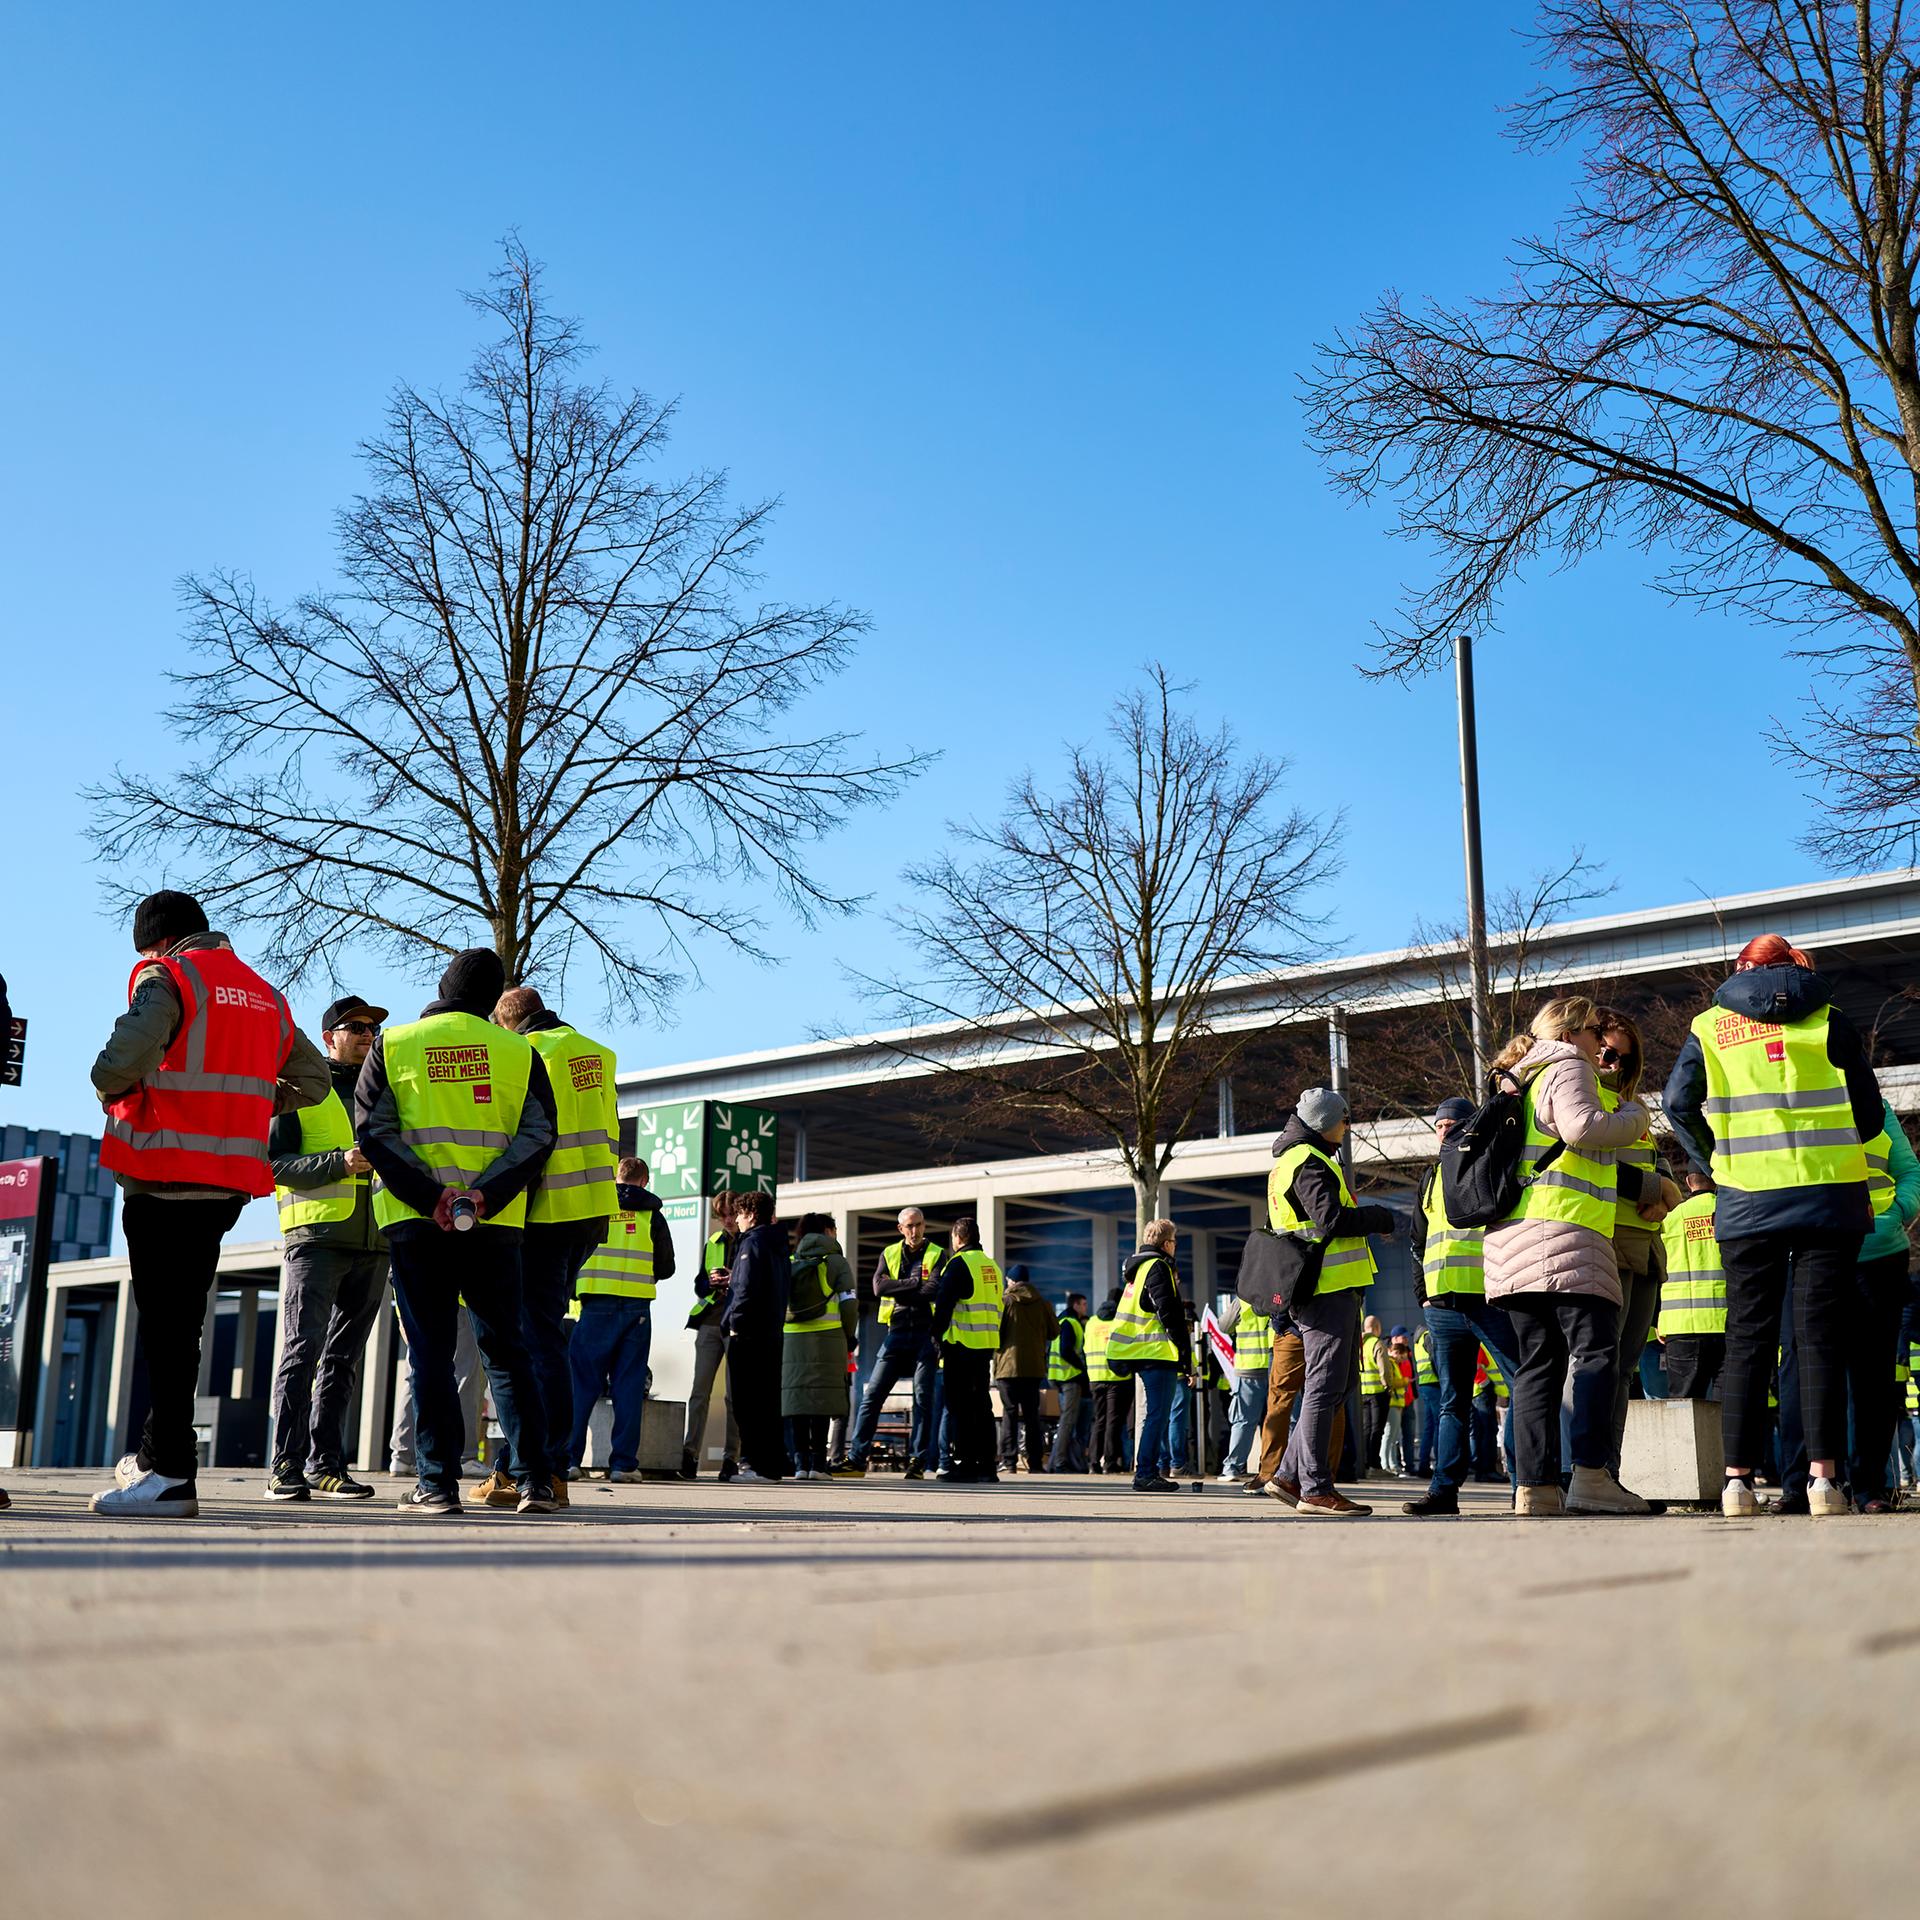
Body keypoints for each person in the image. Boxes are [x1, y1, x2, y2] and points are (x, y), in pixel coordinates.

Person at [89, 891, 329, 1518]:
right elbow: (313, 1080)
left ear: (158, 941)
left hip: (162, 1172)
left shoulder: (168, 976)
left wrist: (108, 1083)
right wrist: (250, 1107)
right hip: (224, 1186)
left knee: (167, 1332)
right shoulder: (263, 994)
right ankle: (152, 1455)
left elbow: (118, 1063)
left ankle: (171, 1476)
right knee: (183, 1323)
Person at [1664, 934, 1881, 1518]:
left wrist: (1714, 1159)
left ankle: (1736, 1483)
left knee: (1748, 1340)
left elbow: (1677, 1101)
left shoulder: (1710, 1025)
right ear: (1793, 967)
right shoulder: (1830, 1018)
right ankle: (1824, 1483)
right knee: (1817, 1342)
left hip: (1747, 1199)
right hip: (1828, 1192)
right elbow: (1869, 1106)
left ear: (1741, 969)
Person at [355, 947, 558, 1516]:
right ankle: (536, 1482)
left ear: (443, 985)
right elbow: (540, 1134)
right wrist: (485, 1195)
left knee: (431, 1355)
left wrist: (431, 1196)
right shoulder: (520, 1051)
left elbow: (373, 1132)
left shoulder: (393, 1045)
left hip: (415, 1224)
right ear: (493, 998)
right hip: (495, 1227)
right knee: (508, 1354)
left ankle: (437, 1485)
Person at [1483, 996, 1656, 1517]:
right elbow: (1583, 1128)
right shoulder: (1568, 1066)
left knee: (1537, 1367)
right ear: (1573, 1031)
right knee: (1598, 1356)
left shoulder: (1520, 1075)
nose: (1601, 1043)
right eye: (1595, 1031)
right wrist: (1633, 1112)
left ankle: (1534, 1487)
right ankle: (1591, 1476)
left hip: (1513, 1245)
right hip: (1568, 1234)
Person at [470, 987, 619, 1510]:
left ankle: (542, 1467)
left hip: (545, 1211)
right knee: (544, 1337)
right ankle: (529, 1466)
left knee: (535, 1345)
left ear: (508, 1022)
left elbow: (532, 1135)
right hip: (593, 1209)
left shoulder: (528, 1053)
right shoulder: (597, 1053)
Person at [264, 993, 390, 1502]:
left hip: (376, 1239)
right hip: (316, 1237)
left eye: (371, 1029)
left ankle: (326, 1465)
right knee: (303, 1351)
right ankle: (284, 1466)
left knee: (343, 1360)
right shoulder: (299, 1090)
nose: (366, 1035)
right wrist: (337, 1163)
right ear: (328, 1037)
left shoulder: (387, 1095)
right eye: (354, 1026)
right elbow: (271, 1164)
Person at [1264, 1088, 1398, 1518]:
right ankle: (1316, 1489)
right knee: (1325, 1389)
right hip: (1327, 1290)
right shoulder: (1308, 1160)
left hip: (1316, 1288)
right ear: (1323, 1123)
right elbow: (1333, 1220)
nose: (1348, 1125)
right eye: (1343, 1119)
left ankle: (1288, 1477)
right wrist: (1381, 1217)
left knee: (1329, 1389)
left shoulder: (1292, 1160)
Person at [1404, 1094, 1521, 1518]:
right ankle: (1443, 1492)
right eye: (1439, 1125)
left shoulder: (1488, 1165)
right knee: (1454, 1400)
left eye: (1453, 1124)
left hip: (1491, 1298)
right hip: (1444, 1305)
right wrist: (1423, 1293)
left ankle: (1523, 1488)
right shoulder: (1431, 1177)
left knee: (1520, 1388)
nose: (1445, 1130)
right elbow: (1417, 1242)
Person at [1595, 1010, 1682, 1474]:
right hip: (1609, 1243)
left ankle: (1611, 1470)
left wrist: (1664, 1193)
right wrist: (1658, 1191)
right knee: (1603, 1367)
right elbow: (1587, 1161)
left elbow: (1652, 1162)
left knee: (1624, 1369)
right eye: (1606, 1051)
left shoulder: (1628, 1108)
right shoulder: (1581, 1099)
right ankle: (1590, 1470)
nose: (1612, 1063)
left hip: (1643, 1247)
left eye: (1622, 1059)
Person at [567, 1157, 674, 1482]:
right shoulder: (651, 1215)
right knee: (628, 1386)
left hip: (595, 1306)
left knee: (581, 1385)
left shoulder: (596, 1206)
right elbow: (666, 1267)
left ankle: (568, 1461)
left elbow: (573, 1253)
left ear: (618, 1177)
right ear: (644, 1180)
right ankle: (623, 1465)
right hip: (636, 1309)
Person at [1841, 1099, 1920, 1512]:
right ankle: (1819, 1482)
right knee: (1812, 1372)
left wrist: (1895, 1213)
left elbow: (1910, 1172)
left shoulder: (1879, 1107)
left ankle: (1869, 1486)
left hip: (1880, 1253)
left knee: (1873, 1378)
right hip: (1815, 1253)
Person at [832, 1209, 947, 1479]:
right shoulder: (890, 1252)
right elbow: (878, 1289)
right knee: (872, 1396)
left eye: (919, 1225)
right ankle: (857, 1460)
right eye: (909, 1226)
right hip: (895, 1333)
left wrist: (901, 1289)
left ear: (924, 1224)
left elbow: (933, 1290)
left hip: (925, 1335)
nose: (915, 1231)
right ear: (900, 1228)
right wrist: (913, 1284)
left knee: (922, 1399)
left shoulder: (938, 1253)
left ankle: (918, 1462)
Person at [1108, 1219, 1189, 1491]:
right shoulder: (1158, 1267)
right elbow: (1169, 1313)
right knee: (1157, 1415)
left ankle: (1145, 1470)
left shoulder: (1137, 1270)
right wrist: (1185, 1354)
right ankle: (1145, 1473)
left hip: (1139, 1351)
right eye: (1175, 1242)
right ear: (1167, 1244)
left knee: (1151, 1414)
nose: (1175, 1247)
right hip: (1156, 1352)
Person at [721, 1190, 792, 1483]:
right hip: (771, 1331)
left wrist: (735, 1322)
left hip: (748, 1332)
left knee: (746, 1401)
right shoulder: (778, 1244)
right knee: (767, 1401)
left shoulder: (752, 1242)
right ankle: (771, 1465)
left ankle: (755, 1465)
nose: (736, 1219)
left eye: (738, 1214)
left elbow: (746, 1288)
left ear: (750, 1214)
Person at [928, 1215, 1004, 1482]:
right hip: (985, 1346)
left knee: (959, 1407)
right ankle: (987, 1467)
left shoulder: (958, 1264)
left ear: (957, 1238)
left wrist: (935, 1336)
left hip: (960, 1344)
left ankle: (966, 1465)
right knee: (982, 1406)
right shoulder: (992, 1266)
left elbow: (944, 1303)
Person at [783, 1212, 857, 1478]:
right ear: (827, 1231)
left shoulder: (790, 1261)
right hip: (828, 1338)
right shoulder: (836, 1262)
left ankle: (800, 1464)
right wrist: (850, 1334)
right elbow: (849, 1303)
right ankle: (818, 1465)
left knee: (798, 1401)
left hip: (791, 1339)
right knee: (822, 1402)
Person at [682, 1194, 741, 1480]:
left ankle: (731, 1459)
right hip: (709, 1320)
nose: (728, 1220)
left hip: (736, 1323)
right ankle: (689, 1454)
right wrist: (711, 1282)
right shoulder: (714, 1242)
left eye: (731, 1214)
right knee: (699, 1392)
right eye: (723, 1215)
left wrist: (734, 1279)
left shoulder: (750, 1240)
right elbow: (699, 1283)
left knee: (733, 1396)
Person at [1657, 1173, 1727, 1399]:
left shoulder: (1670, 1219)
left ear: (1688, 1182)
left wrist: (1657, 1319)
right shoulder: (1730, 1212)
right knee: (1728, 1406)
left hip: (1680, 1324)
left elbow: (1654, 1268)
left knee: (1683, 1405)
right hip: (1728, 1322)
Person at [995, 1263, 1057, 1473]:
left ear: (1011, 1281)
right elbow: (1054, 1332)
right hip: (1034, 1368)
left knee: (1010, 1414)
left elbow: (997, 1333)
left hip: (1008, 1368)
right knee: (1032, 1416)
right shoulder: (1043, 1303)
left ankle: (1009, 1462)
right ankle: (1036, 1464)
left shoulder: (1006, 1301)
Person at [1220, 1296, 1272, 1481]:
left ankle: (1232, 1468)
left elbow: (1224, 1326)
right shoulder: (1279, 1292)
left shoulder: (1241, 1300)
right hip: (1276, 1367)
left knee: (1243, 1421)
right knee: (1280, 1420)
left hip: (1248, 1368)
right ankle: (1274, 1469)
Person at [1086, 1290, 1130, 1473]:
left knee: (1099, 1421)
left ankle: (1093, 1463)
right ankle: (1110, 1463)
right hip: (1116, 1378)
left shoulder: (1091, 1322)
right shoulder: (1120, 1321)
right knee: (1113, 1421)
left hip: (1095, 1377)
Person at [1046, 1293, 1091, 1473]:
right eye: (1084, 1304)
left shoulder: (1061, 1321)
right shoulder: (1070, 1323)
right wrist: (1081, 1368)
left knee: (1067, 1422)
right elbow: (1066, 1350)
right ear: (1076, 1305)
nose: (1086, 1308)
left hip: (1059, 1377)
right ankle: (1059, 1462)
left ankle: (1056, 1462)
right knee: (1067, 1423)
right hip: (1069, 1377)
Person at [1355, 1314, 1393, 1481]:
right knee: (1377, 1429)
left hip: (1362, 1393)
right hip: (1378, 1393)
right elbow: (1384, 1368)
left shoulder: (1358, 1343)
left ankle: (1364, 1463)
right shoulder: (1377, 1343)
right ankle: (1375, 1466)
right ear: (1376, 1328)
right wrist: (1387, 1386)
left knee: (1366, 1429)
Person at [1385, 1327, 1417, 1474]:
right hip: (1395, 1400)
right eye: (1402, 1337)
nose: (1406, 1340)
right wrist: (1405, 1382)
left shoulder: (1407, 1353)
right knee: (1392, 1435)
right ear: (1394, 1338)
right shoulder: (1390, 1357)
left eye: (1406, 1337)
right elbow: (1394, 1379)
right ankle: (1391, 1464)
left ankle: (1408, 1466)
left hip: (1406, 1399)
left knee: (1407, 1434)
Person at [1412, 1327, 1440, 1478]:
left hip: (1425, 1384)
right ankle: (1439, 1464)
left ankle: (1423, 1465)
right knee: (1439, 1424)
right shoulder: (1428, 1336)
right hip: (1434, 1384)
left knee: (1429, 1427)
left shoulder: (1417, 1339)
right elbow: (1434, 1359)